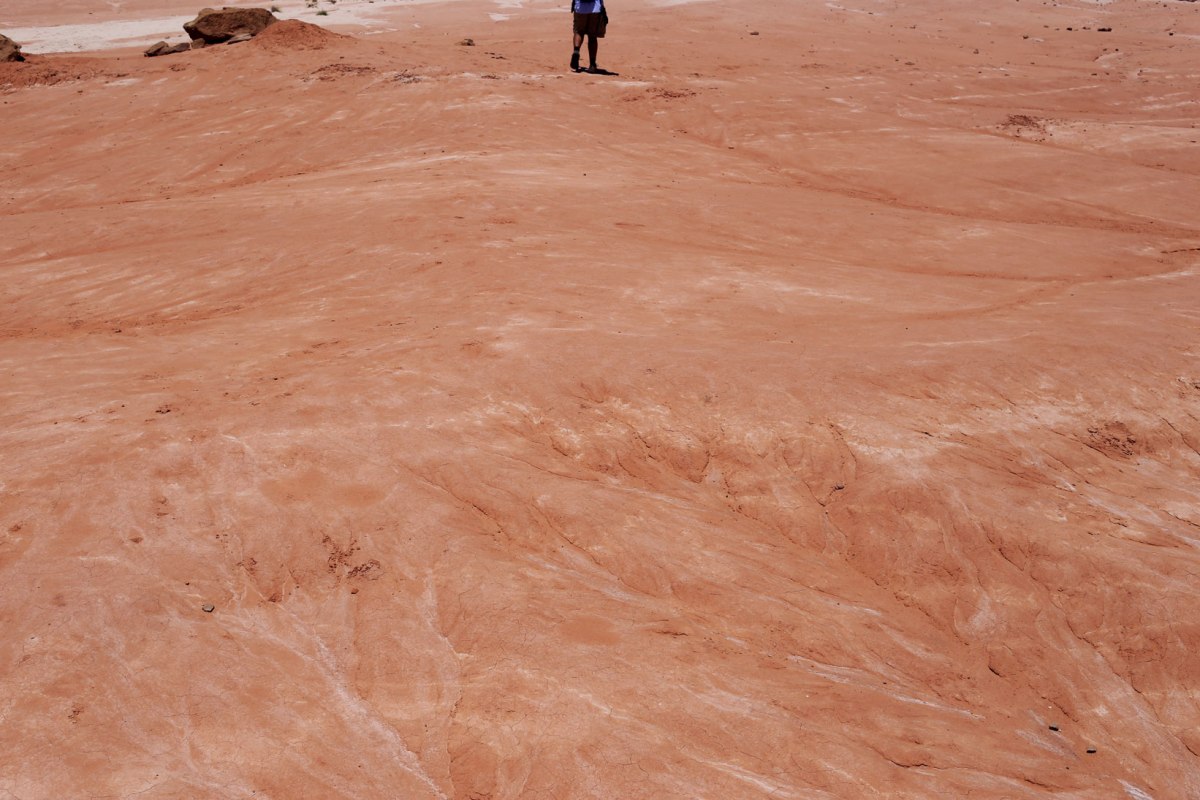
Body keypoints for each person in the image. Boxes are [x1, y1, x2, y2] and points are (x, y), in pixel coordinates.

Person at [570, 0, 607, 73]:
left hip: (580, 8)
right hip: (595, 9)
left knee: (579, 31)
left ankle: (576, 51)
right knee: (592, 36)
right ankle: (592, 65)